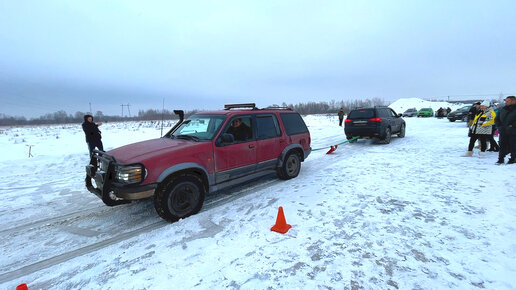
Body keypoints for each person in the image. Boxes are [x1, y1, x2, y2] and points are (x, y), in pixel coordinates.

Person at [494, 96, 516, 164]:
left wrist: (513, 125)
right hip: (503, 131)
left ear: (513, 101)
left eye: (508, 101)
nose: (506, 102)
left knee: (513, 145)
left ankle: (513, 158)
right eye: (505, 101)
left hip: (513, 131)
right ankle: (501, 158)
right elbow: (496, 119)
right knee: (502, 145)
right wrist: (499, 126)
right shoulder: (502, 109)